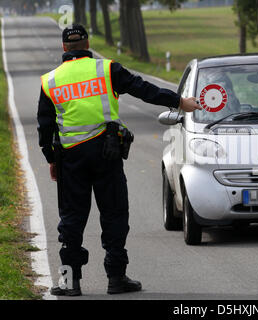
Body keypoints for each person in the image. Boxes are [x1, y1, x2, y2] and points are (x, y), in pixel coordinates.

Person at [37, 24, 201, 296]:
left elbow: (45, 127)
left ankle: (69, 282)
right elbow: (144, 89)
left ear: (64, 48)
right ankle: (116, 277)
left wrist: (51, 159)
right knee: (114, 214)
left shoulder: (50, 81)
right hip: (106, 154)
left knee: (71, 220)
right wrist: (179, 102)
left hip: (71, 159)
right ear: (88, 44)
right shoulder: (107, 69)